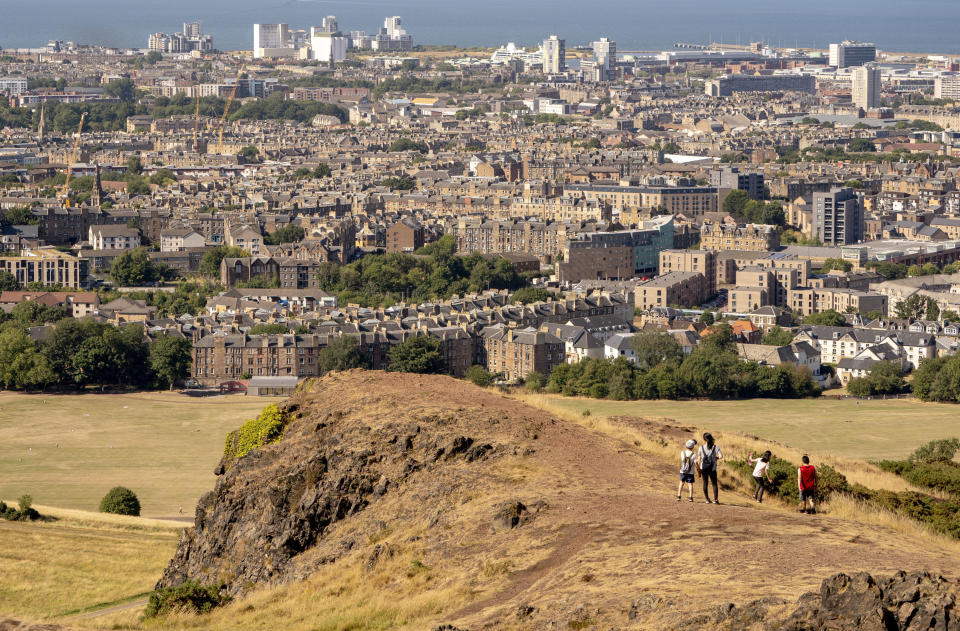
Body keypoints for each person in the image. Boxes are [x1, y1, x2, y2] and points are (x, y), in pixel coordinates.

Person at [697, 433, 723, 504]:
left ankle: (707, 499)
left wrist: (698, 468)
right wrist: (715, 458)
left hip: (703, 468)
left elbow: (699, 459)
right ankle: (716, 500)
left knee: (705, 483)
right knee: (714, 484)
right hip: (712, 468)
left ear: (704, 439)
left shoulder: (701, 448)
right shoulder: (715, 447)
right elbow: (721, 456)